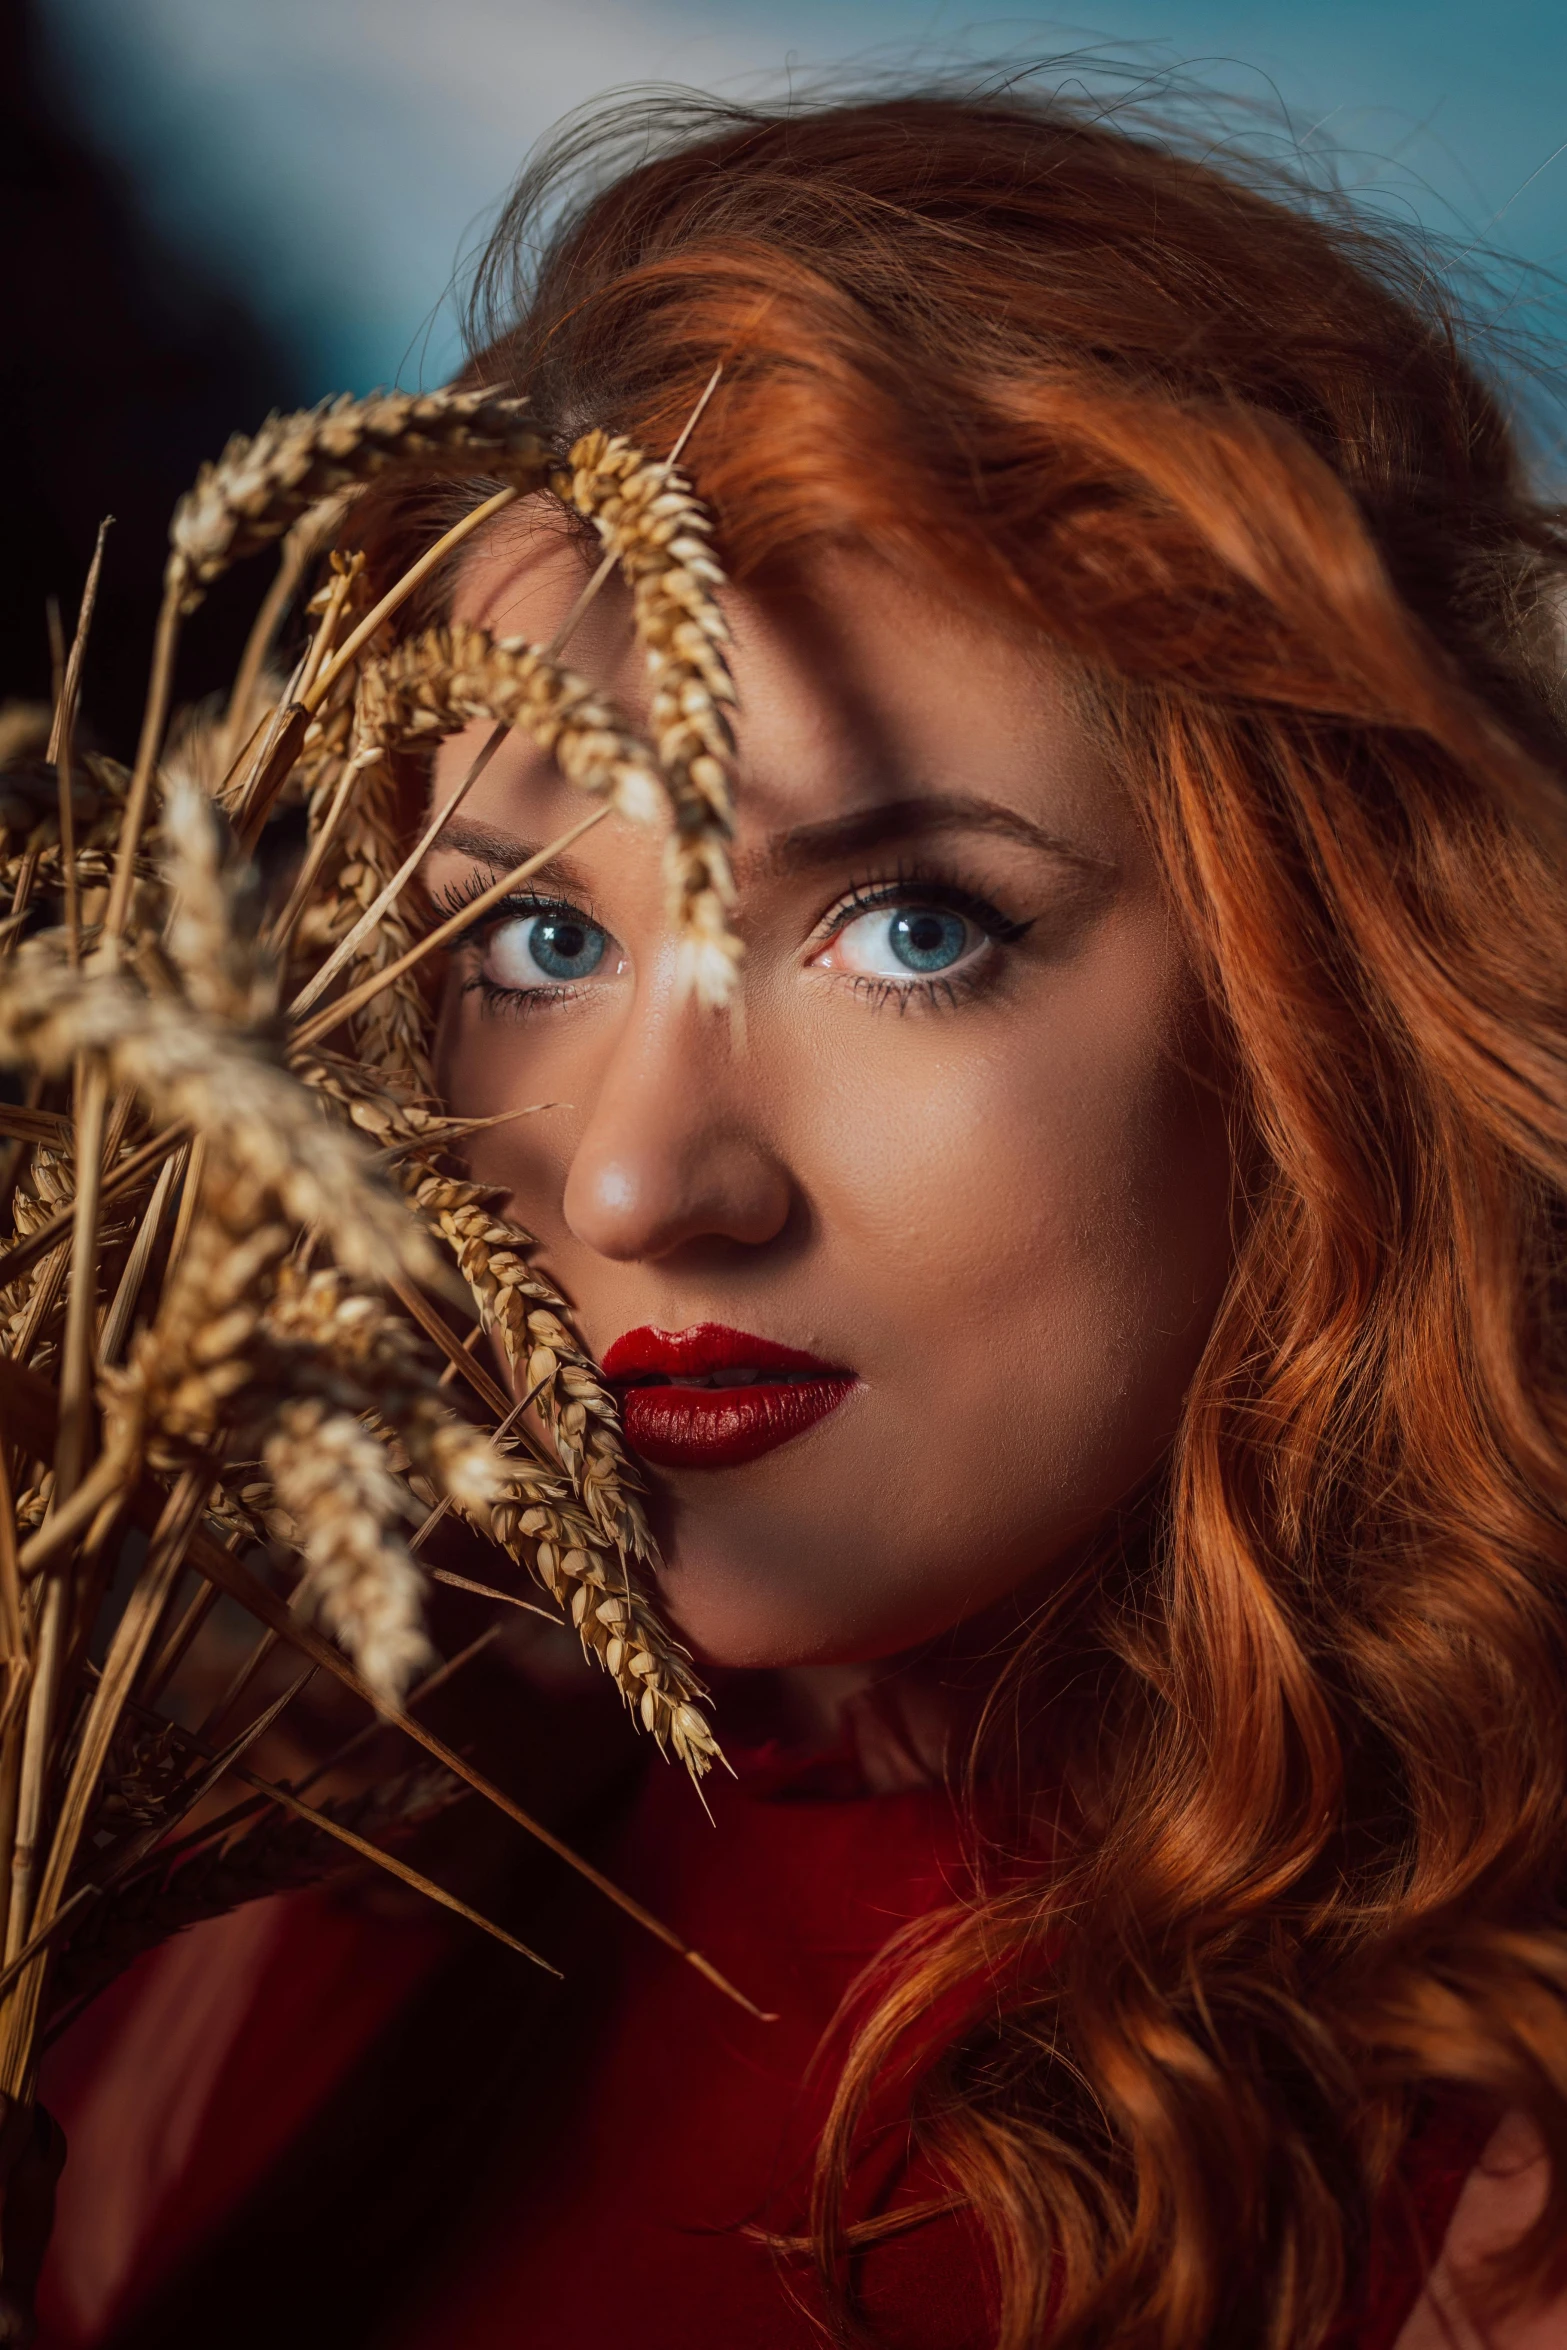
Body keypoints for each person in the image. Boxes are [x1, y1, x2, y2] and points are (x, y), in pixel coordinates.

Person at [34, 81, 1567, 2350]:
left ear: (1317, 1006)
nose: (648, 1175)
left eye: (913, 929)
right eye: (535, 946)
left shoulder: (1477, 2163)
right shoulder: (252, 1895)